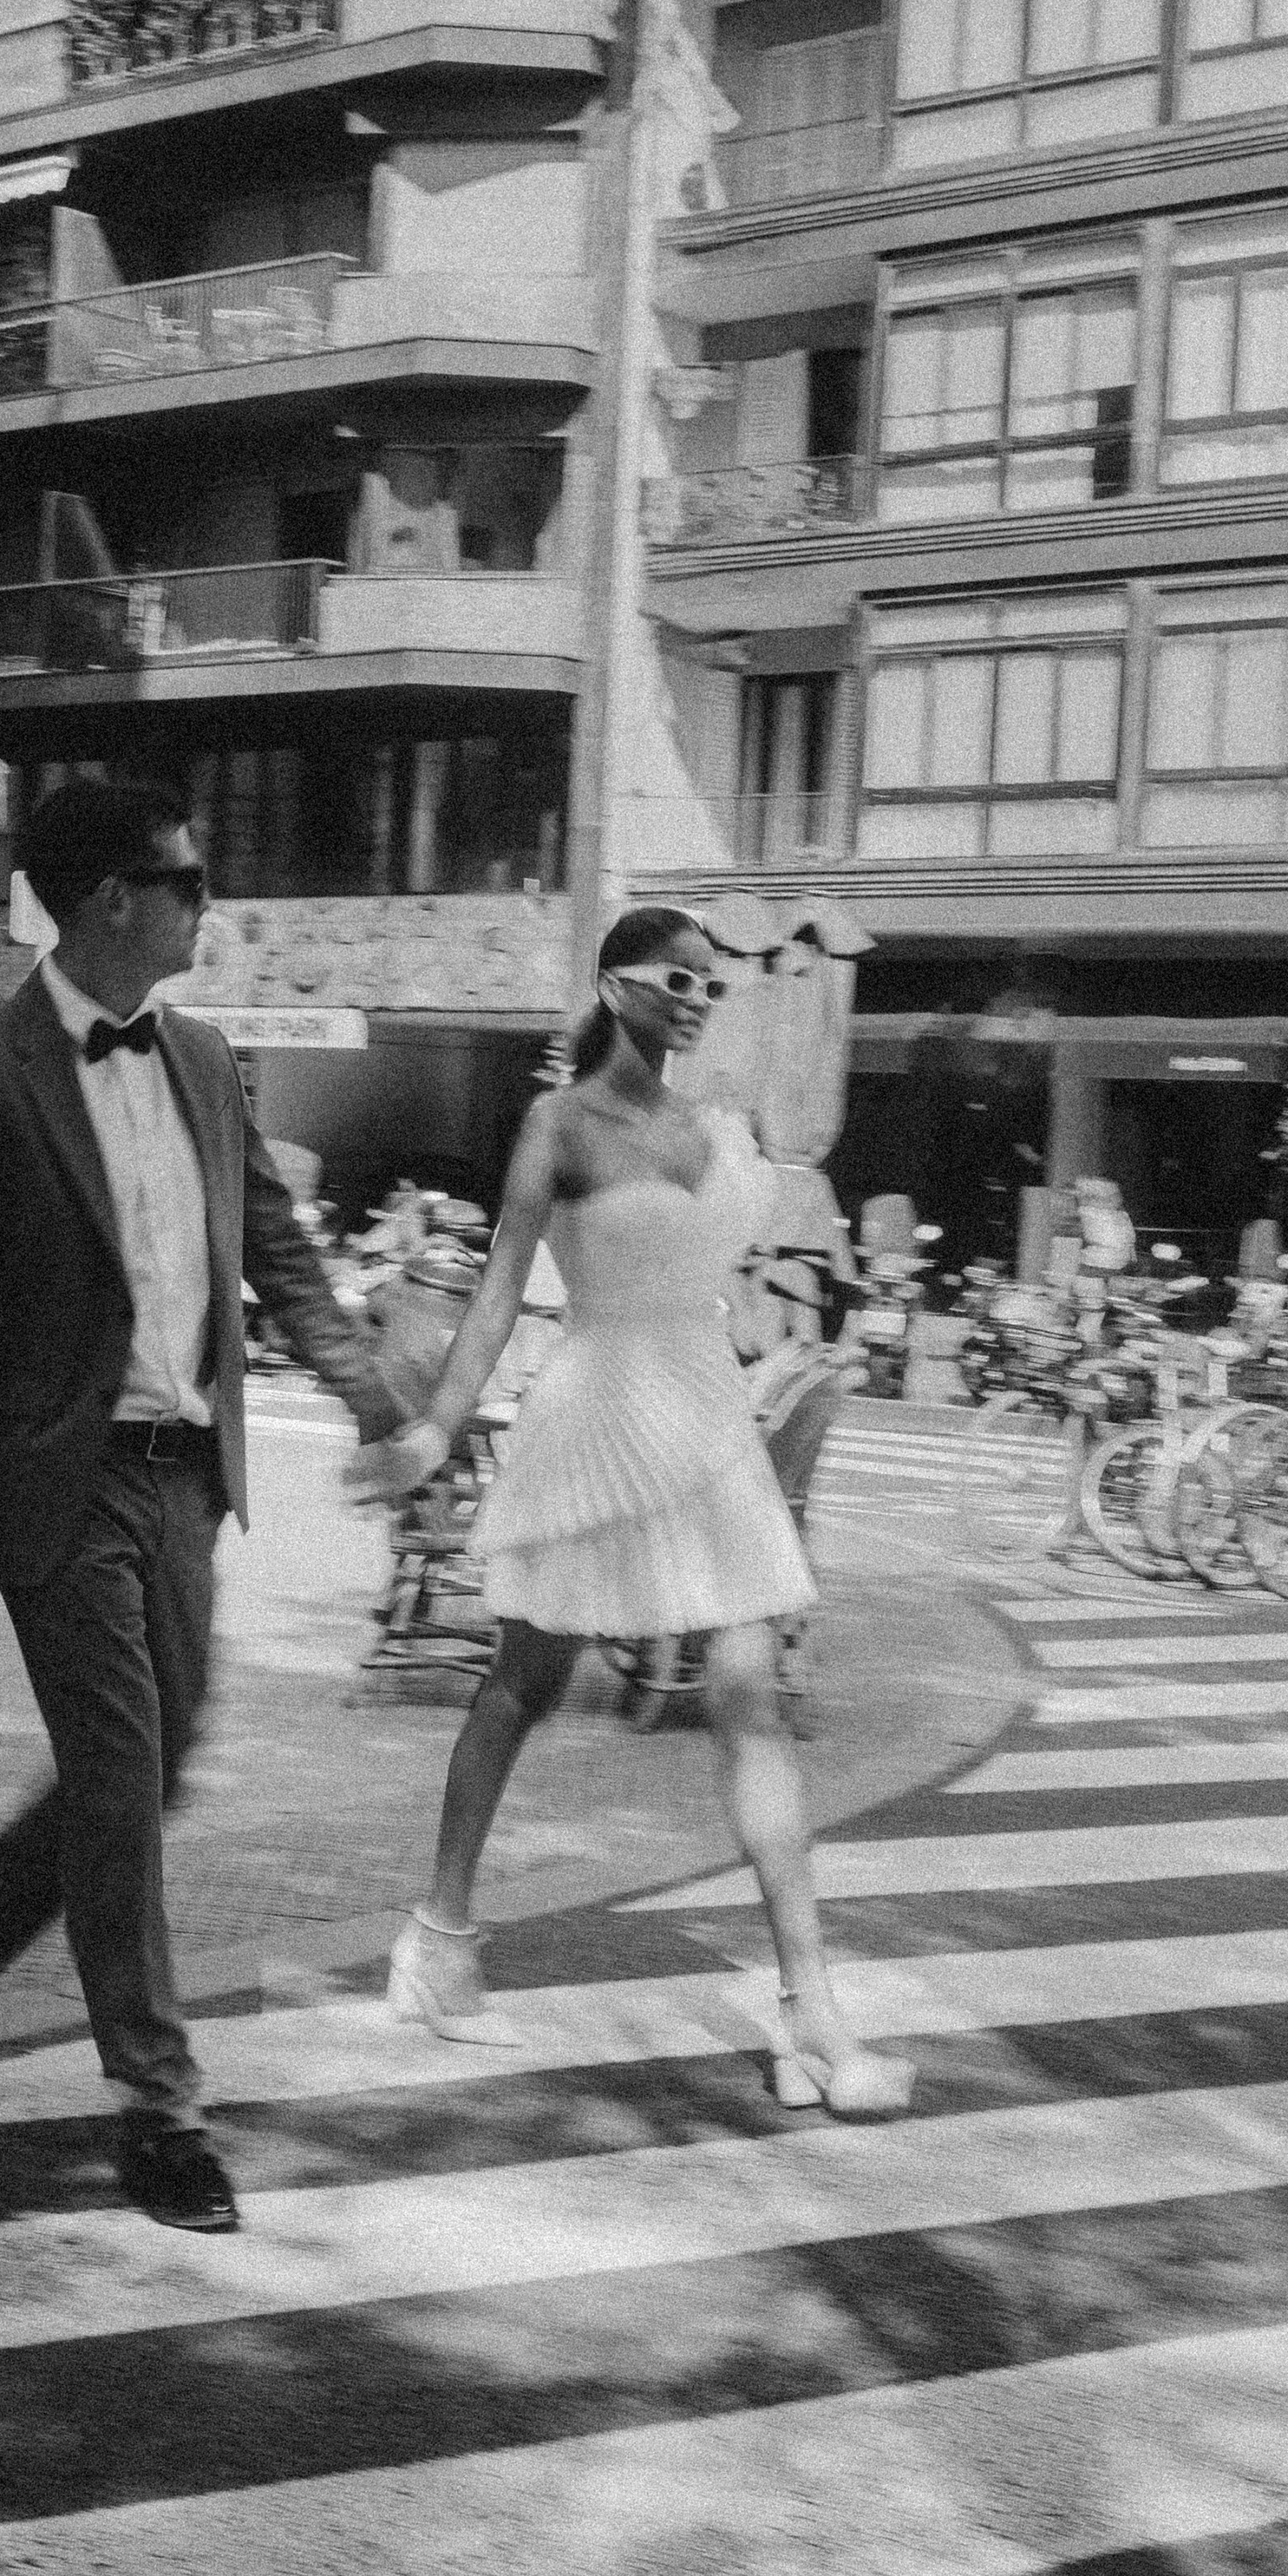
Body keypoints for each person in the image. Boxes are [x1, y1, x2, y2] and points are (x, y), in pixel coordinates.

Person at [0, 776, 402, 2232]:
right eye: (189, 878)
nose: (207, 902)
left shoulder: (213, 1060)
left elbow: (281, 1260)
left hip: (187, 1479)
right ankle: (161, 2107)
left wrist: (376, 1400)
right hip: (64, 1483)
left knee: (154, 1771)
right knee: (118, 1781)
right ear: (112, 896)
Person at [363, 906, 912, 2119]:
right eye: (681, 978)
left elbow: (731, 1283)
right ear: (618, 987)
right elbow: (503, 1290)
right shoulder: (560, 1122)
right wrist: (431, 1430)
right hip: (598, 1410)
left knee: (746, 1698)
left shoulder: (718, 1130)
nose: (703, 998)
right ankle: (438, 1933)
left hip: (706, 1414)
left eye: (715, 985)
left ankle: (811, 2009)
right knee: (526, 1682)